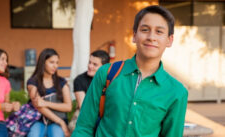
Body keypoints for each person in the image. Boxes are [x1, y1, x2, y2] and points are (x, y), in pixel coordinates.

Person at [72, 5, 188, 137]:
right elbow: (84, 127)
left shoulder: (177, 92)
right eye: (145, 30)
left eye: (159, 32)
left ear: (169, 40)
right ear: (134, 36)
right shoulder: (107, 73)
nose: (151, 37)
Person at [27, 48, 72, 137]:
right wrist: (61, 122)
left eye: (57, 63)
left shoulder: (62, 82)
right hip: (38, 121)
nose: (55, 66)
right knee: (33, 135)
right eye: (52, 62)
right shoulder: (33, 82)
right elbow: (39, 106)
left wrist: (45, 103)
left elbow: (68, 106)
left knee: (57, 135)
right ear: (43, 62)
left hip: (56, 122)